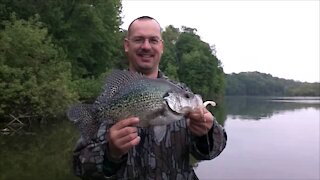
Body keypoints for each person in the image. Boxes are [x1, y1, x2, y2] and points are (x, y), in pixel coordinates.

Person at [72, 16, 227, 180]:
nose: (146, 46)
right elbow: (79, 167)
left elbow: (213, 150)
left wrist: (206, 133)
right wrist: (111, 154)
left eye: (153, 40)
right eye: (139, 39)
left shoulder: (181, 92)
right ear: (127, 45)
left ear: (161, 46)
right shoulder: (110, 97)